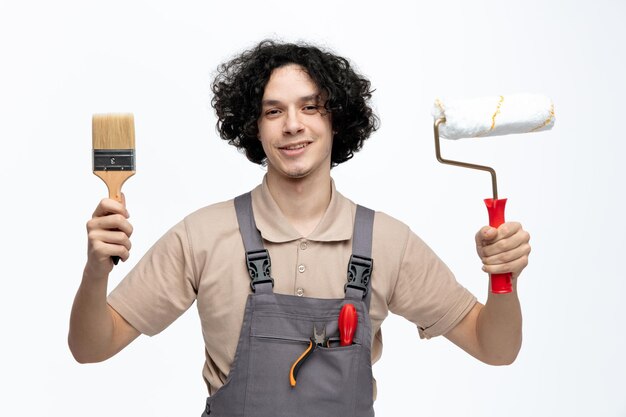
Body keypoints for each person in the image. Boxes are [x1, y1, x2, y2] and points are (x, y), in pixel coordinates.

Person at [69, 40, 530, 415]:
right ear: (254, 128)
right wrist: (96, 269)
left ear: (336, 121)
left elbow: (495, 347)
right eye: (273, 112)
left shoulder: (390, 243)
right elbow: (91, 346)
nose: (293, 125)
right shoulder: (202, 236)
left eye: (310, 108)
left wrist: (502, 276)